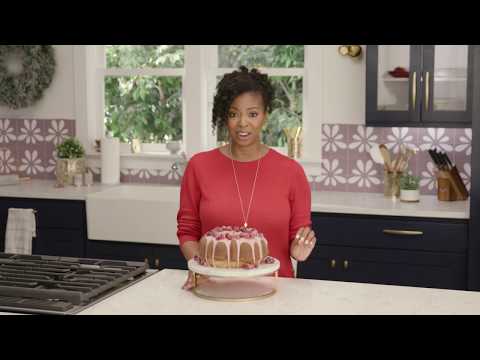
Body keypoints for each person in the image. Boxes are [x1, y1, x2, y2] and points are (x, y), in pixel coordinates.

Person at [177, 66, 316, 290]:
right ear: (224, 116)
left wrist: (300, 251)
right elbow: (187, 232)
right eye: (234, 114)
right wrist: (201, 270)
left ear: (265, 116)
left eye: (252, 114)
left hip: (276, 292)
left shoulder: (292, 172)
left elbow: (298, 237)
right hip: (215, 288)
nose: (243, 123)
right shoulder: (199, 166)